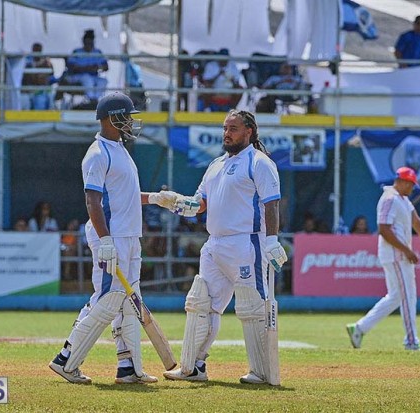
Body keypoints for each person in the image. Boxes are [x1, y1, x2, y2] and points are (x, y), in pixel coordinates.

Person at [47, 92, 181, 385]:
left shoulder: (120, 149)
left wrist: (156, 198)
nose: (131, 121)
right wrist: (105, 240)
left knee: (130, 302)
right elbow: (92, 200)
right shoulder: (97, 154)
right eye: (127, 116)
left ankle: (128, 367)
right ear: (112, 118)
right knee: (108, 299)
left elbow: (125, 196)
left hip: (129, 235)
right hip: (112, 236)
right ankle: (66, 360)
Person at [162, 109, 288, 384]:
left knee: (253, 307)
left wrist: (271, 240)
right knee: (201, 303)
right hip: (214, 244)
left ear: (248, 132)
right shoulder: (216, 164)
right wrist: (173, 202)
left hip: (247, 242)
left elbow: (272, 202)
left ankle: (261, 371)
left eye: (233, 129)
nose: (227, 134)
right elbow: (200, 204)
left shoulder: (260, 162)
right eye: (225, 129)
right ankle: (193, 367)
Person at [346, 167, 420, 351]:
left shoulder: (403, 200)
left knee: (396, 297)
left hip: (398, 254)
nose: (412, 188)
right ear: (401, 181)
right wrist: (407, 250)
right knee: (408, 296)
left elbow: (417, 222)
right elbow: (383, 229)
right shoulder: (389, 198)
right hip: (396, 255)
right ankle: (411, 341)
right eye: (410, 184)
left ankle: (359, 329)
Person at [65, 29, 109, 104]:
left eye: (90, 43)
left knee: (103, 81)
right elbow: (70, 66)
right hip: (79, 76)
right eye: (87, 43)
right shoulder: (77, 51)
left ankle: (96, 99)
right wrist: (84, 68)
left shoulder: (97, 52)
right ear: (83, 42)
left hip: (94, 76)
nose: (88, 45)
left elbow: (106, 66)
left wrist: (98, 67)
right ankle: (91, 99)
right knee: (87, 78)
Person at [22, 42, 53, 110]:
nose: (36, 52)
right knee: (24, 100)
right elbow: (25, 78)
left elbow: (49, 76)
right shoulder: (28, 62)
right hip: (29, 89)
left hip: (41, 90)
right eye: (35, 50)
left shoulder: (46, 63)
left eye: (38, 50)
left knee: (41, 100)